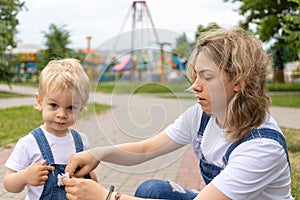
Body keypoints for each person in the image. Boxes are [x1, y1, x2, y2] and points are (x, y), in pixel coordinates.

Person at [62, 27, 294, 200]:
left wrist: (105, 197)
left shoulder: (263, 146)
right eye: (196, 75)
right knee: (151, 190)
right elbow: (146, 149)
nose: (195, 85)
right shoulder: (201, 116)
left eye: (208, 77)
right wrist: (98, 153)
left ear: (239, 82)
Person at [3, 58, 97, 199]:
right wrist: (24, 177)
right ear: (40, 101)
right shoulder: (29, 143)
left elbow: (89, 174)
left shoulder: (81, 141)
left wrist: (95, 188)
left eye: (70, 108)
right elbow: (8, 183)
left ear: (82, 107)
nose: (61, 115)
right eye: (54, 105)